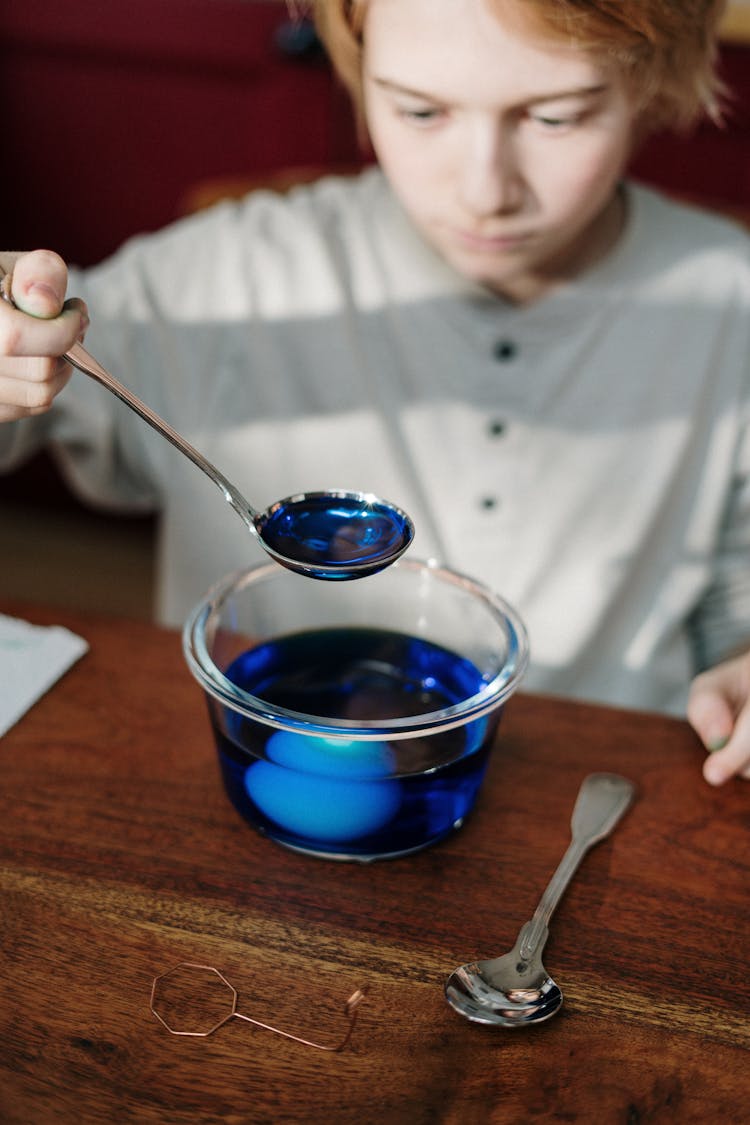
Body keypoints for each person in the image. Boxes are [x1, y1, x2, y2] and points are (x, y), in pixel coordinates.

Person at [0, 0, 748, 786]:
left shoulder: (729, 305)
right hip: (244, 802)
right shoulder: (232, 275)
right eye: (420, 110)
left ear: (655, 81)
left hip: (600, 803)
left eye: (556, 117)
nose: (485, 190)